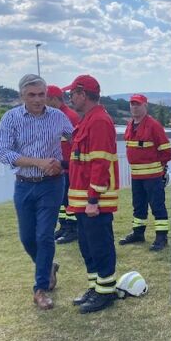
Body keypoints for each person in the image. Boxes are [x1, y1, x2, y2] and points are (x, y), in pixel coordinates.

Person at [0, 75, 74, 310]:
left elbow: (77, 140)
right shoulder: (11, 118)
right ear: (22, 96)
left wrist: (62, 163)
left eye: (42, 94)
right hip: (23, 184)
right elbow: (3, 153)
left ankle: (40, 288)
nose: (38, 99)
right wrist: (37, 162)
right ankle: (48, 266)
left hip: (52, 184)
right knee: (27, 237)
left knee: (44, 236)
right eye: (32, 95)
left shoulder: (58, 117)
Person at [63, 74, 120, 314]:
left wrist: (93, 199)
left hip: (93, 201)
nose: (70, 98)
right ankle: (95, 288)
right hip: (82, 201)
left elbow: (100, 163)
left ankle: (105, 292)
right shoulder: (88, 120)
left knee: (99, 246)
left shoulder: (99, 121)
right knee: (87, 247)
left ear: (82, 94)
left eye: (72, 94)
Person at [119, 93, 171, 251]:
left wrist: (160, 168)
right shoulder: (130, 124)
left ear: (145, 106)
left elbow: (166, 151)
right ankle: (138, 233)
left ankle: (161, 237)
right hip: (136, 176)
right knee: (138, 206)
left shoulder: (154, 125)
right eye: (132, 104)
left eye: (138, 104)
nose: (134, 107)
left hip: (153, 176)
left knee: (157, 206)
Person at [46, 85, 80, 244]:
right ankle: (64, 226)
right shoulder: (54, 116)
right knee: (61, 200)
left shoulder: (69, 117)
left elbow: (77, 144)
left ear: (53, 99)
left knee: (69, 200)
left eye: (45, 98)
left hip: (69, 167)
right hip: (58, 168)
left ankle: (73, 229)